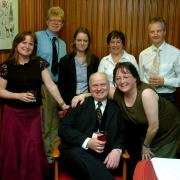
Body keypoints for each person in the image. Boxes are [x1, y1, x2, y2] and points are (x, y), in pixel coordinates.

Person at [73, 62, 180, 179]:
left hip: (165, 132)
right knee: (144, 168)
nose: (122, 81)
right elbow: (99, 90)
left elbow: (154, 127)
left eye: (126, 77)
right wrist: (82, 95)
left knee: (158, 168)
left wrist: (145, 146)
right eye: (118, 78)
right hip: (146, 132)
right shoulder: (117, 93)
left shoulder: (146, 94)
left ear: (135, 78)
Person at [0, 31, 68, 180]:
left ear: (34, 47)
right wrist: (17, 96)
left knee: (33, 148)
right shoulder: (6, 66)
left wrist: (63, 104)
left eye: (31, 43)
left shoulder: (39, 63)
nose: (27, 46)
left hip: (33, 115)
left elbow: (50, 85)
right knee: (12, 148)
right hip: (12, 115)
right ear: (16, 44)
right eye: (24, 42)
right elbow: (0, 91)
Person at [59, 72, 125, 180]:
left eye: (103, 84)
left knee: (92, 167)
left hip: (104, 157)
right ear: (89, 88)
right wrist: (87, 142)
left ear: (109, 86)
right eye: (95, 85)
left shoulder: (117, 107)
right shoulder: (79, 103)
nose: (99, 89)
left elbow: (123, 134)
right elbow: (63, 129)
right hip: (78, 154)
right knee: (76, 153)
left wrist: (117, 150)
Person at [35, 6, 67, 163]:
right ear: (47, 21)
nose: (56, 23)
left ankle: (54, 155)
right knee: (45, 123)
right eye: (53, 20)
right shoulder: (37, 37)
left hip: (56, 87)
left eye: (59, 21)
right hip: (41, 86)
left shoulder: (63, 44)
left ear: (62, 24)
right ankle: (47, 159)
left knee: (55, 122)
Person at [139, 16, 180, 104]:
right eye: (152, 32)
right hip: (147, 94)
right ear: (149, 34)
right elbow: (141, 78)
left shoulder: (176, 53)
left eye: (159, 31)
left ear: (164, 32)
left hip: (167, 97)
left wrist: (164, 81)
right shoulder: (143, 54)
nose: (155, 34)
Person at [58, 27, 99, 105]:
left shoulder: (94, 60)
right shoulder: (65, 61)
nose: (82, 43)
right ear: (74, 41)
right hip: (70, 102)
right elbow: (61, 86)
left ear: (89, 42)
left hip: (89, 100)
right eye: (79, 40)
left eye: (85, 41)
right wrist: (61, 106)